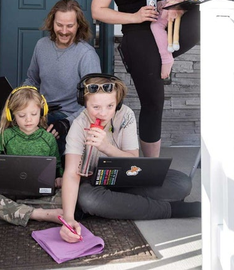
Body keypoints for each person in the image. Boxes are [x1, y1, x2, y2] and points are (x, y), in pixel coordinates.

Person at [90, 0, 201, 157]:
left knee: (201, 8)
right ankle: (151, 165)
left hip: (164, 28)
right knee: (154, 102)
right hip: (137, 37)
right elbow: (98, 10)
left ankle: (165, 57)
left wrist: (178, 7)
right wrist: (135, 16)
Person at [59, 74, 200, 243]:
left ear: (117, 102)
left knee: (181, 183)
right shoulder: (79, 124)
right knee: (87, 199)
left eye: (110, 106)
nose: (104, 113)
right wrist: (68, 218)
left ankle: (120, 204)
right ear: (84, 103)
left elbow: (133, 159)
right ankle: (171, 209)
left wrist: (106, 148)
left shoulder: (126, 115)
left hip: (126, 177)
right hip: (96, 182)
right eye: (96, 107)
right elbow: (71, 173)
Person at [0, 86, 64, 226]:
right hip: (9, 194)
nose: (28, 120)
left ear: (42, 112)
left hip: (41, 195)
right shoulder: (6, 136)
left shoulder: (48, 138)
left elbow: (57, 165)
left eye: (34, 114)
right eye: (22, 115)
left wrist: (59, 178)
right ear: (11, 115)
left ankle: (6, 212)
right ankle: (37, 214)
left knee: (69, 199)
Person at [25, 0, 101, 155]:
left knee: (44, 137)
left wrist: (67, 122)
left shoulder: (86, 55)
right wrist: (19, 101)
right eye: (59, 25)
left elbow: (95, 102)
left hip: (68, 117)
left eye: (70, 26)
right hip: (41, 111)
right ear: (52, 23)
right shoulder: (41, 45)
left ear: (78, 25)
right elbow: (32, 81)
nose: (64, 31)